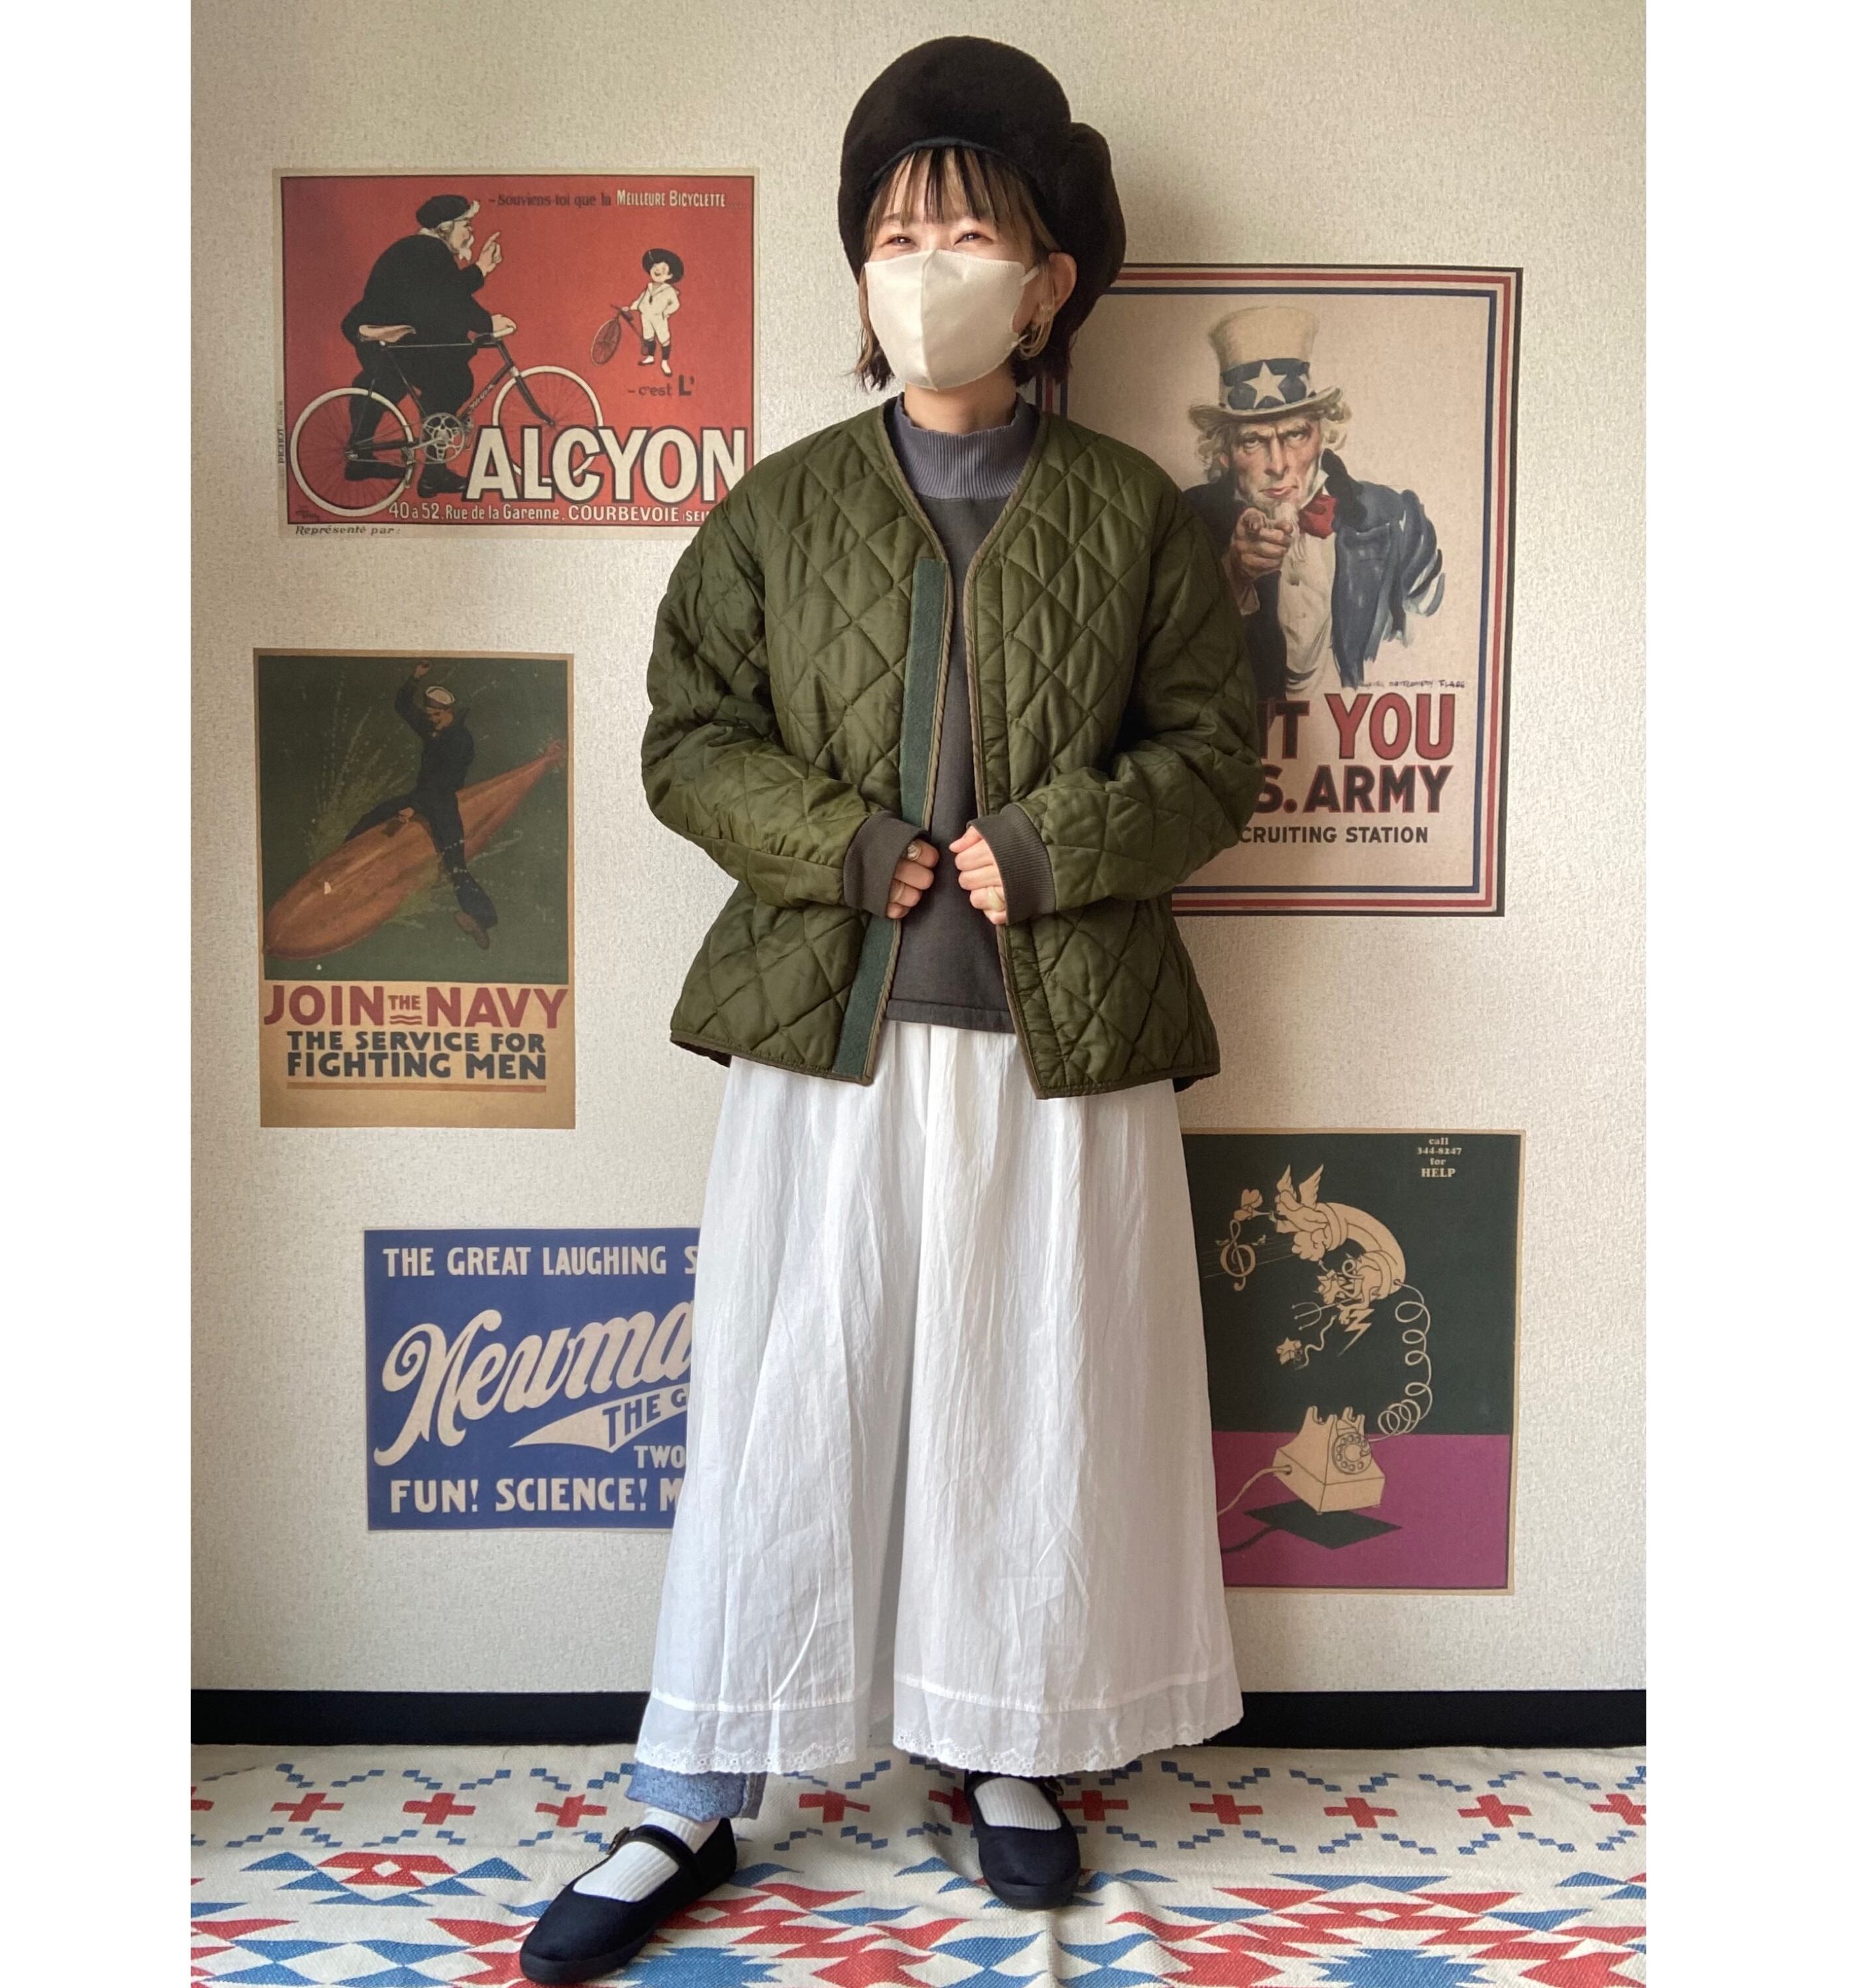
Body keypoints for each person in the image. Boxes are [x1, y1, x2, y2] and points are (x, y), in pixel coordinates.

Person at [521, 37, 1262, 1985]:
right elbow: (690, 737)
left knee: (1031, 1398)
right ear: (859, 268)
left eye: (971, 236)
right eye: (897, 234)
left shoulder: (1132, 515)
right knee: (793, 1400)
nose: (929, 267)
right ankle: (691, 1783)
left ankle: (1002, 1738)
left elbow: (1214, 755)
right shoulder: (777, 512)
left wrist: (1057, 841)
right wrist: (844, 847)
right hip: (826, 1036)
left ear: (1051, 283)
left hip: (1062, 1041)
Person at [1180, 304, 1444, 705]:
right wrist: (1233, 575)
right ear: (1224, 453)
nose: (1278, 464)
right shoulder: (1187, 522)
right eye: (1252, 440)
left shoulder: (1396, 519)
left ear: (1324, 434)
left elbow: (1433, 651)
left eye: (1295, 435)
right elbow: (1171, 665)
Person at [337, 194, 518, 498]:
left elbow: (441, 293)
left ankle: (360, 458)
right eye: (466, 224)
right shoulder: (430, 250)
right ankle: (434, 475)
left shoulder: (417, 249)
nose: (471, 232)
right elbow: (450, 299)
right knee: (453, 382)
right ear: (445, 227)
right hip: (392, 336)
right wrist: (487, 322)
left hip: (374, 334)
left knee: (383, 385)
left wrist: (480, 275)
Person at [344, 662, 498, 947]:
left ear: (449, 712)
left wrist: (414, 808)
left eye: (437, 716)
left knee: (455, 864)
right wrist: (415, 678)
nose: (432, 721)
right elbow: (403, 706)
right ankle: (343, 861)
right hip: (421, 796)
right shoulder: (432, 728)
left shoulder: (461, 741)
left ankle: (481, 918)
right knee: (373, 817)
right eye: (430, 716)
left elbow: (442, 783)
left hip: (442, 803)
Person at [629, 248, 683, 375]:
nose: (658, 271)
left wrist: (666, 312)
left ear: (670, 276)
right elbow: (641, 299)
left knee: (664, 339)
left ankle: (665, 362)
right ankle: (651, 357)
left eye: (663, 269)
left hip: (659, 318)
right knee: (648, 337)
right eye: (655, 267)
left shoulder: (669, 290)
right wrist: (632, 307)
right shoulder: (649, 287)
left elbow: (676, 304)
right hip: (646, 316)